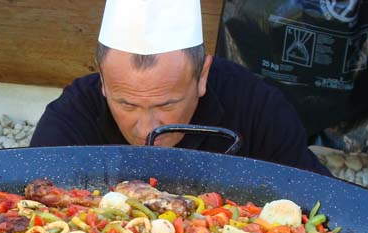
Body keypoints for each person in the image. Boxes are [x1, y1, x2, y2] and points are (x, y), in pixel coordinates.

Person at [30, 0, 329, 176]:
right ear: (103, 80)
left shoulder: (257, 108)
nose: (147, 129)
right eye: (127, 104)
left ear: (202, 76)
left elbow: (319, 200)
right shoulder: (71, 117)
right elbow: (26, 202)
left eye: (166, 105)